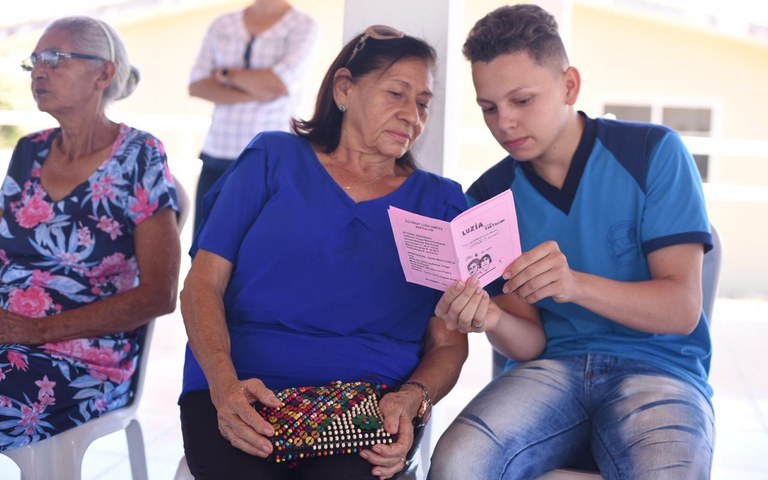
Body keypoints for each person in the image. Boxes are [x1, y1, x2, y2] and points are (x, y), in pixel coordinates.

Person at [429, 4, 715, 480]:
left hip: (659, 369)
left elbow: (681, 309)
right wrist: (493, 317)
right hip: (549, 371)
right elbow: (529, 342)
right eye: (489, 108)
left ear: (569, 85)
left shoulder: (652, 153)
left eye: (522, 100)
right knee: (456, 464)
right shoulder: (488, 199)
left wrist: (574, 285)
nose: (504, 123)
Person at [179, 25, 469, 480]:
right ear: (344, 89)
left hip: (369, 402)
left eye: (423, 103)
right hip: (242, 385)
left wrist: (412, 397)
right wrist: (222, 384)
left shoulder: (441, 202)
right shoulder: (272, 159)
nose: (412, 115)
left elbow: (449, 343)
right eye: (396, 93)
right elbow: (202, 283)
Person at [0, 16, 180, 452]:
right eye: (34, 61)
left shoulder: (139, 155)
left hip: (82, 358)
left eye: (54, 58)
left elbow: (160, 295)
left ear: (103, 73)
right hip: (10, 335)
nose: (38, 72)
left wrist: (36, 330)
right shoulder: (29, 150)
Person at [188, 0, 319, 234]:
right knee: (202, 243)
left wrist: (224, 75)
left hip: (270, 161)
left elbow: (278, 84)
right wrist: (260, 89)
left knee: (258, 245)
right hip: (217, 155)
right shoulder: (223, 24)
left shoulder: (304, 25)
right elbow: (197, 86)